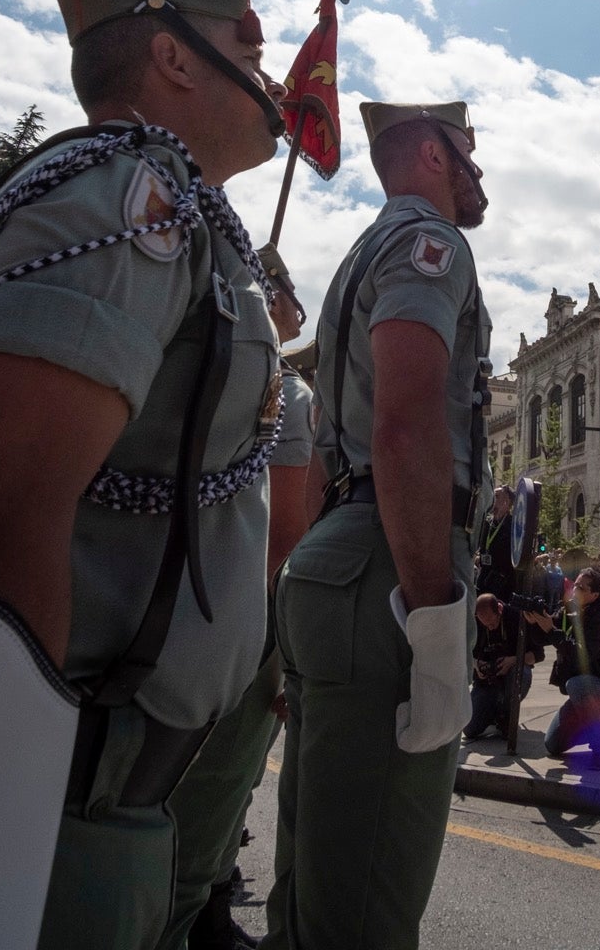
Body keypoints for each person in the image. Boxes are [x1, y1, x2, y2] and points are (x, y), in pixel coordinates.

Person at [0, 0, 285, 950]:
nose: (268, 70)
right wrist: (1, 845)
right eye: (244, 49)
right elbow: (1, 514)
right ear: (170, 57)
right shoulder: (127, 197)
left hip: (114, 793)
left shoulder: (178, 213)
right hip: (59, 791)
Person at [264, 100, 492, 950]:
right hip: (388, 563)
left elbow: (330, 445)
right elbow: (405, 425)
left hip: (339, 552)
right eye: (467, 156)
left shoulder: (358, 257)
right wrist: (432, 612)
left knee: (315, 864)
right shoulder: (429, 246)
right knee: (365, 894)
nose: (478, 175)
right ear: (431, 155)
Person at [162, 244, 314, 950]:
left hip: (164, 616)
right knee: (218, 796)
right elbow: (284, 539)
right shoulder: (287, 391)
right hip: (242, 628)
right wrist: (282, 659)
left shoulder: (181, 361)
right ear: (272, 301)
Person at [527, 566, 600, 771]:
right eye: (575, 584)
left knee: (576, 684)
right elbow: (546, 636)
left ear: (594, 595)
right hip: (583, 691)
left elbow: (581, 655)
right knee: (552, 745)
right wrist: (535, 622)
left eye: (581, 587)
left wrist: (551, 630)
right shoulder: (569, 611)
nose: (574, 590)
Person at [462, 593, 541, 740]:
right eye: (485, 624)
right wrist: (477, 665)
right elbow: (463, 652)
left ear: (499, 610)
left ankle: (506, 714)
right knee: (469, 729)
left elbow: (538, 655)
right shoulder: (475, 624)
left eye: (492, 623)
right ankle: (494, 711)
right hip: (486, 682)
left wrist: (513, 660)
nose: (490, 628)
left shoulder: (517, 617)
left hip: (512, 675)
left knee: (521, 673)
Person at [475, 485, 516, 599]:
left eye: (497, 497)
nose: (492, 500)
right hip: (484, 578)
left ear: (507, 502)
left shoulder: (513, 525)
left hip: (501, 583)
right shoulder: (487, 523)